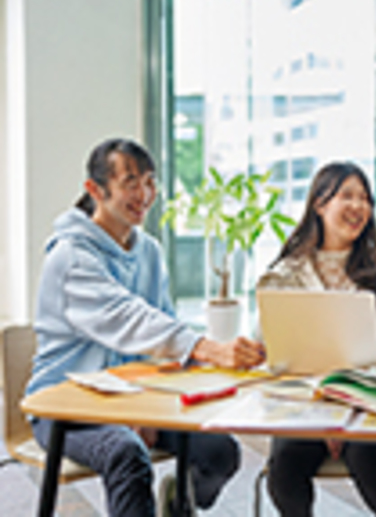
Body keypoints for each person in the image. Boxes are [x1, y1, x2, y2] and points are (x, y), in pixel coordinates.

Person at [25, 138, 266, 517]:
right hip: (67, 407)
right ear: (95, 190)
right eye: (131, 182)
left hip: (135, 396)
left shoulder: (148, 251)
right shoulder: (71, 256)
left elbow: (164, 327)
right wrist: (208, 347)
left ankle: (179, 503)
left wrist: (154, 404)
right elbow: (130, 319)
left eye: (151, 182)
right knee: (126, 454)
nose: (145, 194)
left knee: (219, 451)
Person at [257, 161, 376, 517]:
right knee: (285, 469)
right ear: (320, 204)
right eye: (347, 196)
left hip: (375, 406)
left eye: (365, 198)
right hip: (305, 408)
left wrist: (348, 413)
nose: (359, 207)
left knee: (368, 460)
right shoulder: (286, 274)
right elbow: (271, 354)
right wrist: (323, 416)